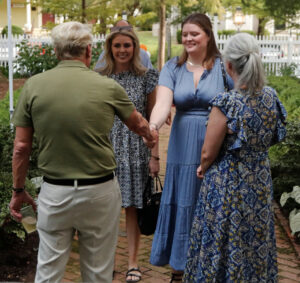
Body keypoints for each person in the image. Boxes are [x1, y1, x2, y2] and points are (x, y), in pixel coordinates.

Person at [9, 21, 157, 283]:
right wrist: (150, 135)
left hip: (55, 192)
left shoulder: (34, 86)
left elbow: (21, 147)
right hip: (99, 191)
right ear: (89, 51)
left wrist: (18, 191)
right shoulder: (108, 86)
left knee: (48, 271)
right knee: (99, 272)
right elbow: (138, 123)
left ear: (56, 51)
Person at [183, 33, 287, 282]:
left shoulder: (227, 102)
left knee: (223, 241)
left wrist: (202, 166)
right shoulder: (271, 97)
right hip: (259, 183)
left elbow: (208, 151)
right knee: (255, 242)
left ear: (228, 65)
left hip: (227, 185)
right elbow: (275, 135)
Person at [148, 13, 234, 282]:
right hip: (182, 145)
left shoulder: (223, 67)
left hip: (215, 146)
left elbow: (238, 102)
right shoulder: (172, 67)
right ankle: (178, 268)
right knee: (182, 201)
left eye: (194, 33)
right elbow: (162, 104)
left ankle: (209, 267)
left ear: (208, 35)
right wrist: (151, 127)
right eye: (184, 34)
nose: (188, 38)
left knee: (209, 204)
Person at [98, 27, 159, 283]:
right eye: (117, 46)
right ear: (109, 49)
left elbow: (153, 121)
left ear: (135, 48)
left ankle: (133, 263)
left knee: (133, 208)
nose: (122, 50)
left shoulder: (147, 77)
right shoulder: (99, 77)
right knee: (105, 211)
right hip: (105, 151)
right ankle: (105, 262)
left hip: (136, 151)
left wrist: (154, 156)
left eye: (127, 45)